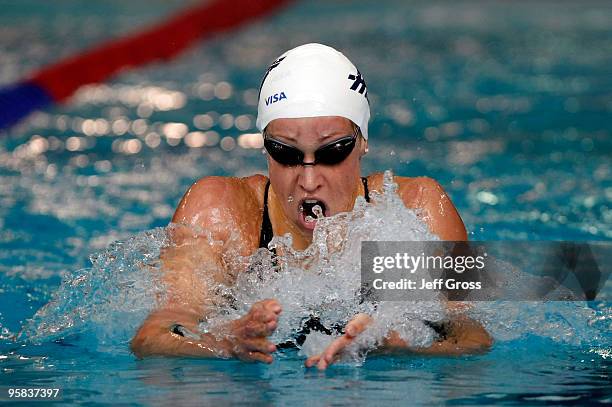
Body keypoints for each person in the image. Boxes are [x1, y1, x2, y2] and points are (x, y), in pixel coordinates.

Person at [130, 43, 491, 369]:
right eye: (285, 152)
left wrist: (398, 343)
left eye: (332, 152)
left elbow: (470, 337)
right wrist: (221, 342)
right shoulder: (222, 214)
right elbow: (154, 336)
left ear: (362, 141)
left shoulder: (413, 210)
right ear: (264, 146)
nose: (308, 179)